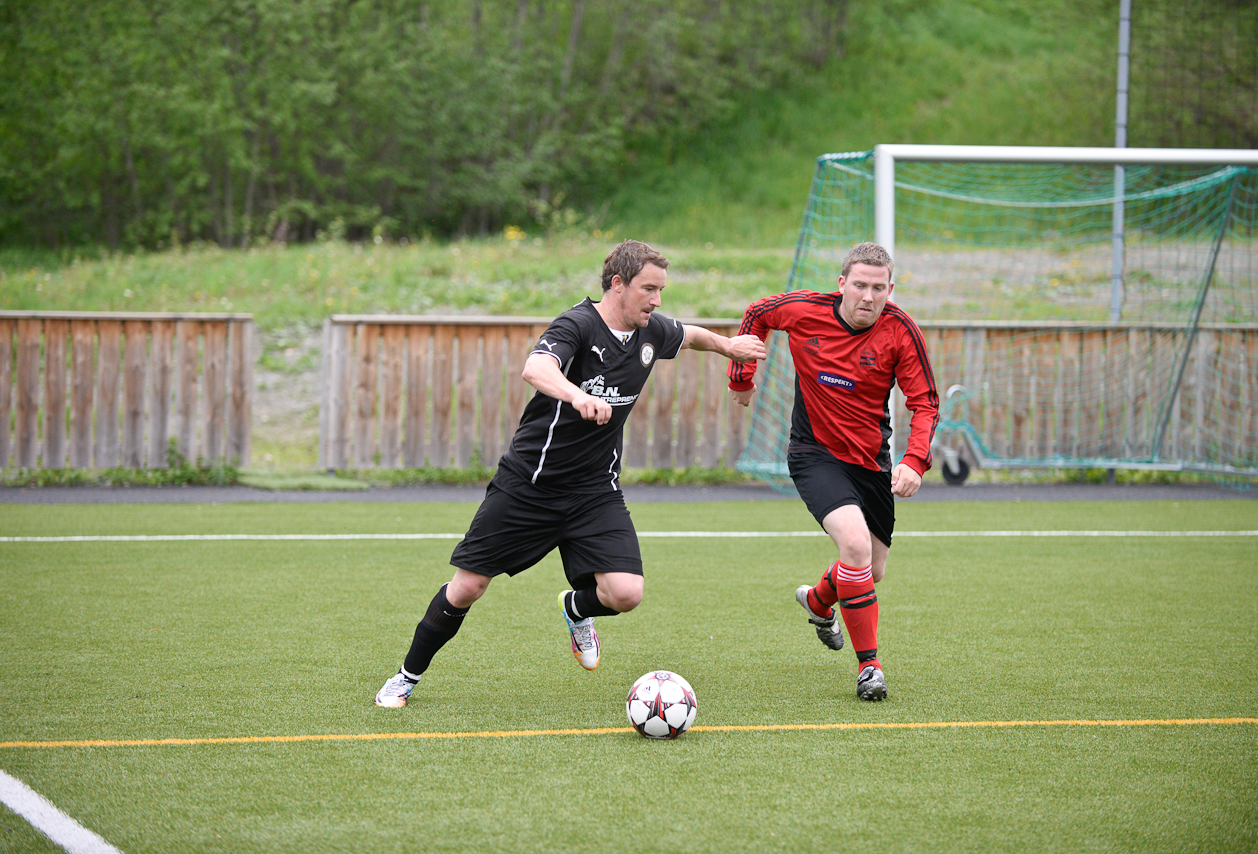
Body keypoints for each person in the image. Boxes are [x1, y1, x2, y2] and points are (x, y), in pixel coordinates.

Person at [376, 239, 766, 708]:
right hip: (529, 486)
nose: (657, 301)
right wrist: (575, 394)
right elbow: (535, 367)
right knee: (468, 587)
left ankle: (575, 608)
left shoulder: (650, 331)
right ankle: (406, 676)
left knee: (625, 592)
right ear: (618, 284)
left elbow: (691, 334)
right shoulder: (577, 324)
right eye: (649, 289)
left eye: (661, 290)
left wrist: (728, 346)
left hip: (595, 490)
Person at [727, 242, 938, 701]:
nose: (868, 296)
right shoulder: (804, 311)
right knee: (856, 547)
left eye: (878, 288)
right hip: (814, 453)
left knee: (872, 568)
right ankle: (870, 668)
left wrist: (914, 460)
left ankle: (819, 600)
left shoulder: (901, 331)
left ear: (890, 290)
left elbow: (924, 403)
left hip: (870, 462)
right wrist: (742, 379)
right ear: (842, 284)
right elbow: (755, 315)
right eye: (859, 285)